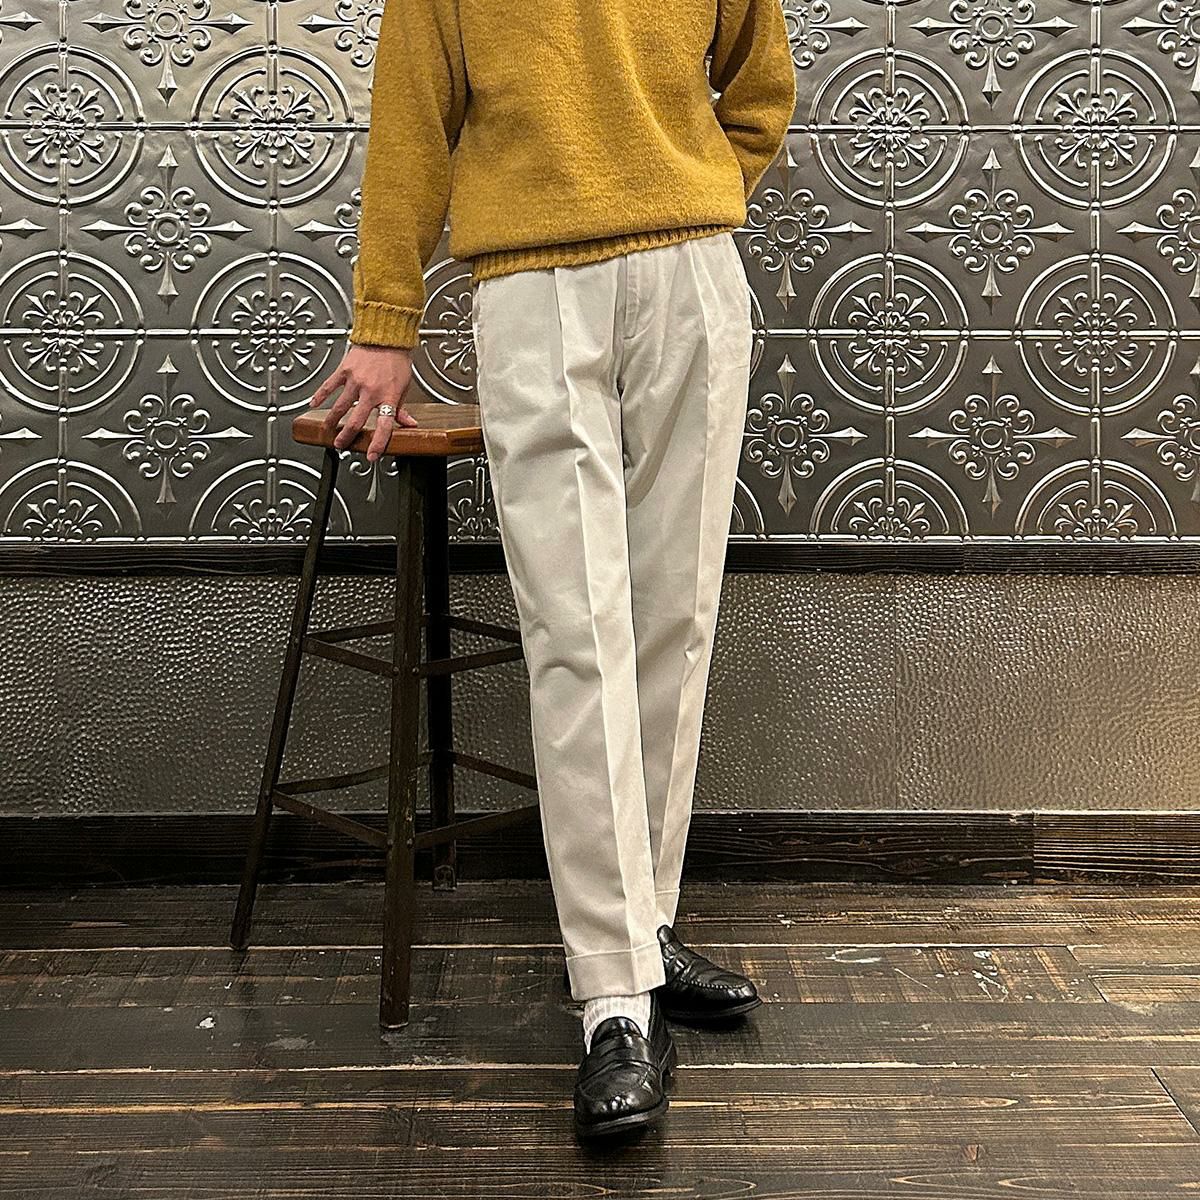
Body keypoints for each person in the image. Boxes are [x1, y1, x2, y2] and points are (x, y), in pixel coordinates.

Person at [308, 0, 796, 1141]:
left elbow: (759, 87)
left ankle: (644, 927)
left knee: (676, 619)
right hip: (532, 285)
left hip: (690, 275)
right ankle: (615, 999)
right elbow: (411, 118)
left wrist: (689, 195)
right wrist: (385, 316)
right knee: (577, 633)